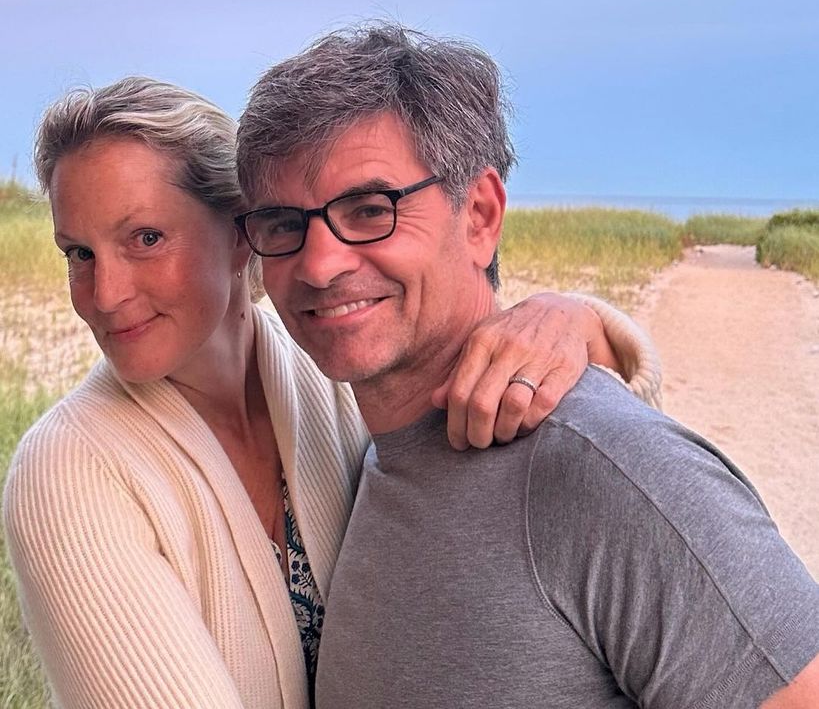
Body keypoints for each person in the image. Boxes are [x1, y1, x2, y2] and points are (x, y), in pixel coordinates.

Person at [2, 76, 659, 709]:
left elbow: (577, 464)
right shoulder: (67, 470)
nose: (104, 294)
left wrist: (582, 324)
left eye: (145, 238)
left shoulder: (332, 359)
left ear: (242, 231)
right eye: (77, 253)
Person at [235, 22, 819, 709]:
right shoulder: (375, 454)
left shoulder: (606, 468)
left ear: (479, 213)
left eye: (371, 209)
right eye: (282, 223)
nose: (320, 262)